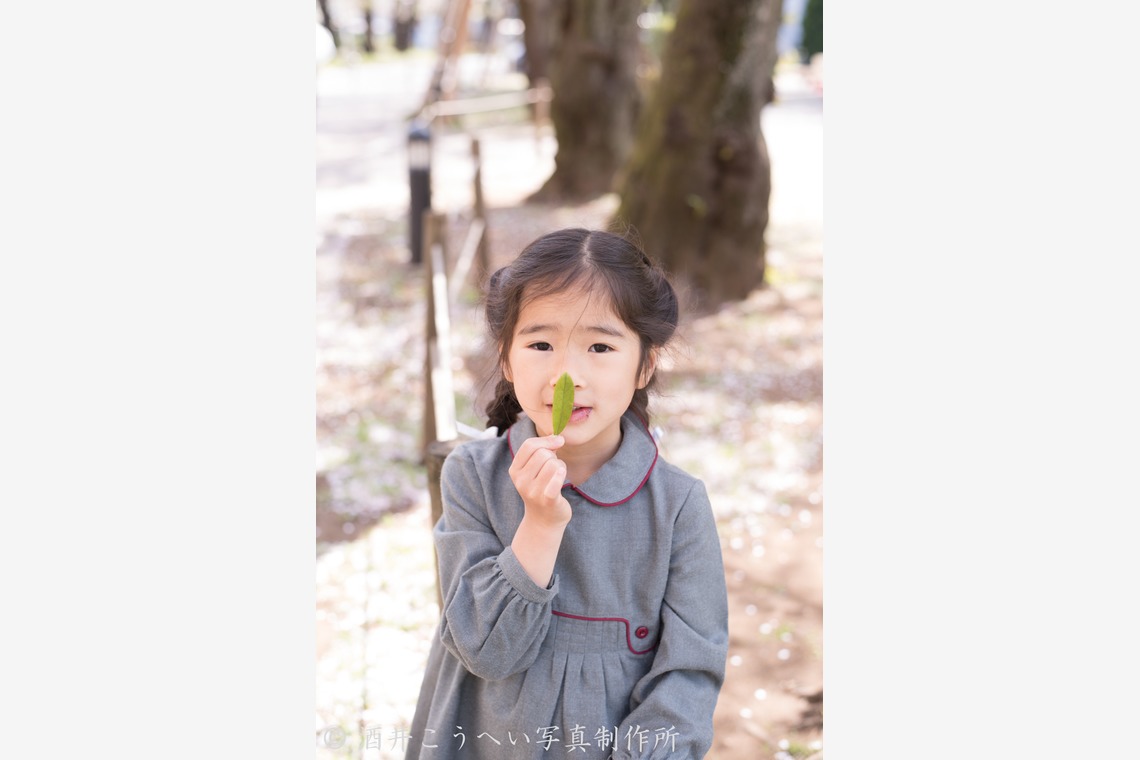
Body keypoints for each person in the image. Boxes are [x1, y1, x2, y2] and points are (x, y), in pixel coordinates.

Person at [406, 228, 729, 759]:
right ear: (506, 360)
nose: (566, 375)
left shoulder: (677, 506)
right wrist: (539, 524)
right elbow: (486, 652)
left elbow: (689, 673)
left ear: (645, 365)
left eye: (600, 347)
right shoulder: (473, 477)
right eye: (540, 345)